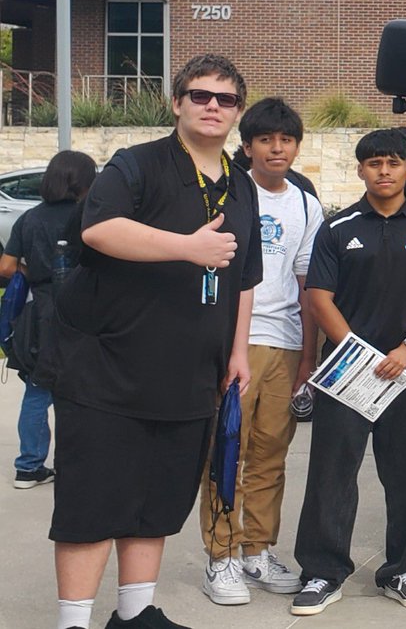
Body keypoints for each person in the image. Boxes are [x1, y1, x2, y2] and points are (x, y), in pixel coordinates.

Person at [49, 54, 261, 629]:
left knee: (157, 501)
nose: (212, 106)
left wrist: (238, 351)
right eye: (200, 95)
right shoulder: (135, 166)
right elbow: (99, 228)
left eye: (225, 99)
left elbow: (244, 278)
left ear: (238, 111)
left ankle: (136, 614)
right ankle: (73, 622)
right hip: (109, 370)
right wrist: (186, 247)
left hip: (192, 373)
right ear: (177, 103)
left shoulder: (242, 187)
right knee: (94, 504)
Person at [290, 128, 406, 617]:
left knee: (405, 474)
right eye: (373, 163)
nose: (383, 171)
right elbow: (319, 296)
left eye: (392, 163)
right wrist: (354, 351)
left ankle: (402, 569)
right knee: (331, 472)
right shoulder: (338, 228)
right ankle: (323, 571)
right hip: (347, 372)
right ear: (360, 170)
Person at [200, 97, 323, 604]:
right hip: (235, 344)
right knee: (227, 451)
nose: (278, 148)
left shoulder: (305, 203)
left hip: (286, 345)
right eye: (267, 139)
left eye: (286, 139)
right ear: (246, 145)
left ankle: (257, 551)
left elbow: (308, 285)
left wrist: (308, 358)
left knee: (271, 455)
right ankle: (221, 558)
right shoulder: (228, 193)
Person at [0, 150, 96, 490]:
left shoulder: (30, 219)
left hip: (40, 312)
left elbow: (6, 268)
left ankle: (29, 466)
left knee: (37, 392)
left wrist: (32, 270)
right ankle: (78, 465)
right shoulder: (91, 216)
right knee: (85, 393)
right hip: (84, 312)